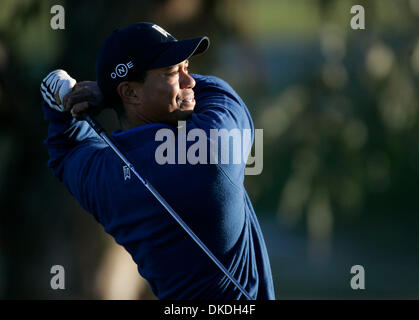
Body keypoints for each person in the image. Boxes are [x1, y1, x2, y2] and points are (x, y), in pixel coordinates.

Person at [40, 22, 275, 300]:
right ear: (131, 93)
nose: (190, 82)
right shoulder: (209, 148)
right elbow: (223, 95)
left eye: (186, 67)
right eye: (173, 72)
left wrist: (61, 98)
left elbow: (65, 149)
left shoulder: (104, 178)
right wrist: (104, 94)